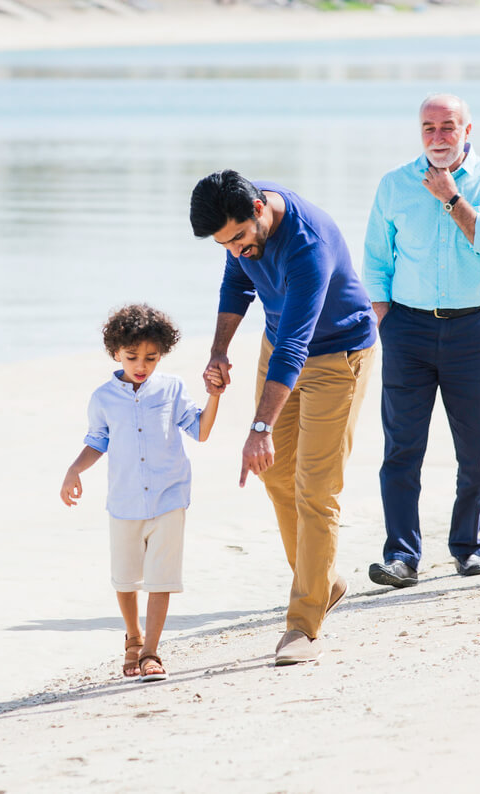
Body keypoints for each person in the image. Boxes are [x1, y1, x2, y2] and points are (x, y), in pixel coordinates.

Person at [189, 169, 376, 666]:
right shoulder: (243, 236)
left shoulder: (306, 244)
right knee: (276, 478)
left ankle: (303, 623)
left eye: (238, 239)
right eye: (223, 244)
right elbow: (237, 283)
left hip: (336, 358)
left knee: (316, 488)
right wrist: (218, 352)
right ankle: (325, 581)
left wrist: (258, 428)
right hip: (281, 352)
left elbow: (297, 345)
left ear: (257, 212)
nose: (235, 250)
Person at [362, 93, 480, 587]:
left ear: (468, 130)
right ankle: (402, 556)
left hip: (474, 329)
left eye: (448, 127)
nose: (437, 137)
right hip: (408, 329)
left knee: (474, 450)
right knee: (401, 449)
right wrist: (385, 316)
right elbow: (375, 258)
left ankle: (467, 548)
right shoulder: (393, 184)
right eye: (428, 128)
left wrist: (452, 198)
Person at [60, 304, 221, 682]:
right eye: (132, 356)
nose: (141, 365)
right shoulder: (103, 398)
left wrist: (214, 396)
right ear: (115, 352)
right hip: (125, 501)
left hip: (169, 496)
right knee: (126, 578)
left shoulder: (172, 388)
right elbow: (97, 441)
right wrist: (73, 470)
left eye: (151, 357)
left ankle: (150, 651)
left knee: (161, 578)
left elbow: (200, 431)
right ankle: (132, 637)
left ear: (162, 353)